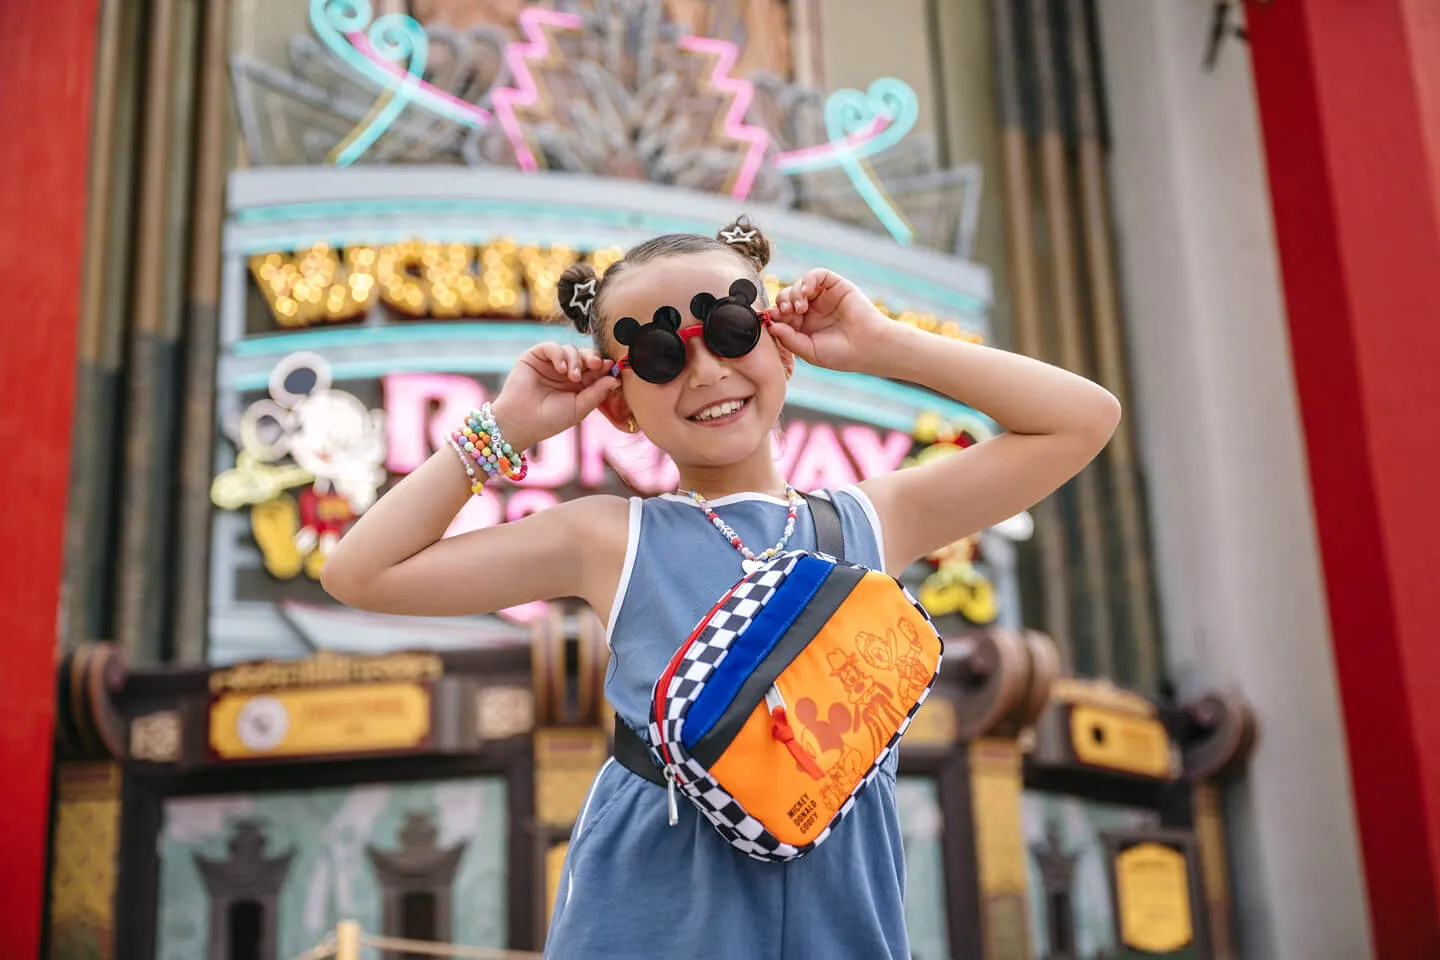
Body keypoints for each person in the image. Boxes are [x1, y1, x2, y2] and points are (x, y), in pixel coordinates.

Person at [321, 216, 1120, 958]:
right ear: (621, 406)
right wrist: (507, 427)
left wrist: (881, 345)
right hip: (652, 916)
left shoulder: (875, 520)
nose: (705, 371)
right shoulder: (610, 537)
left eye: (733, 332)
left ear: (782, 347)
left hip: (843, 917)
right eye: (662, 357)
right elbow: (360, 572)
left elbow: (1082, 419)